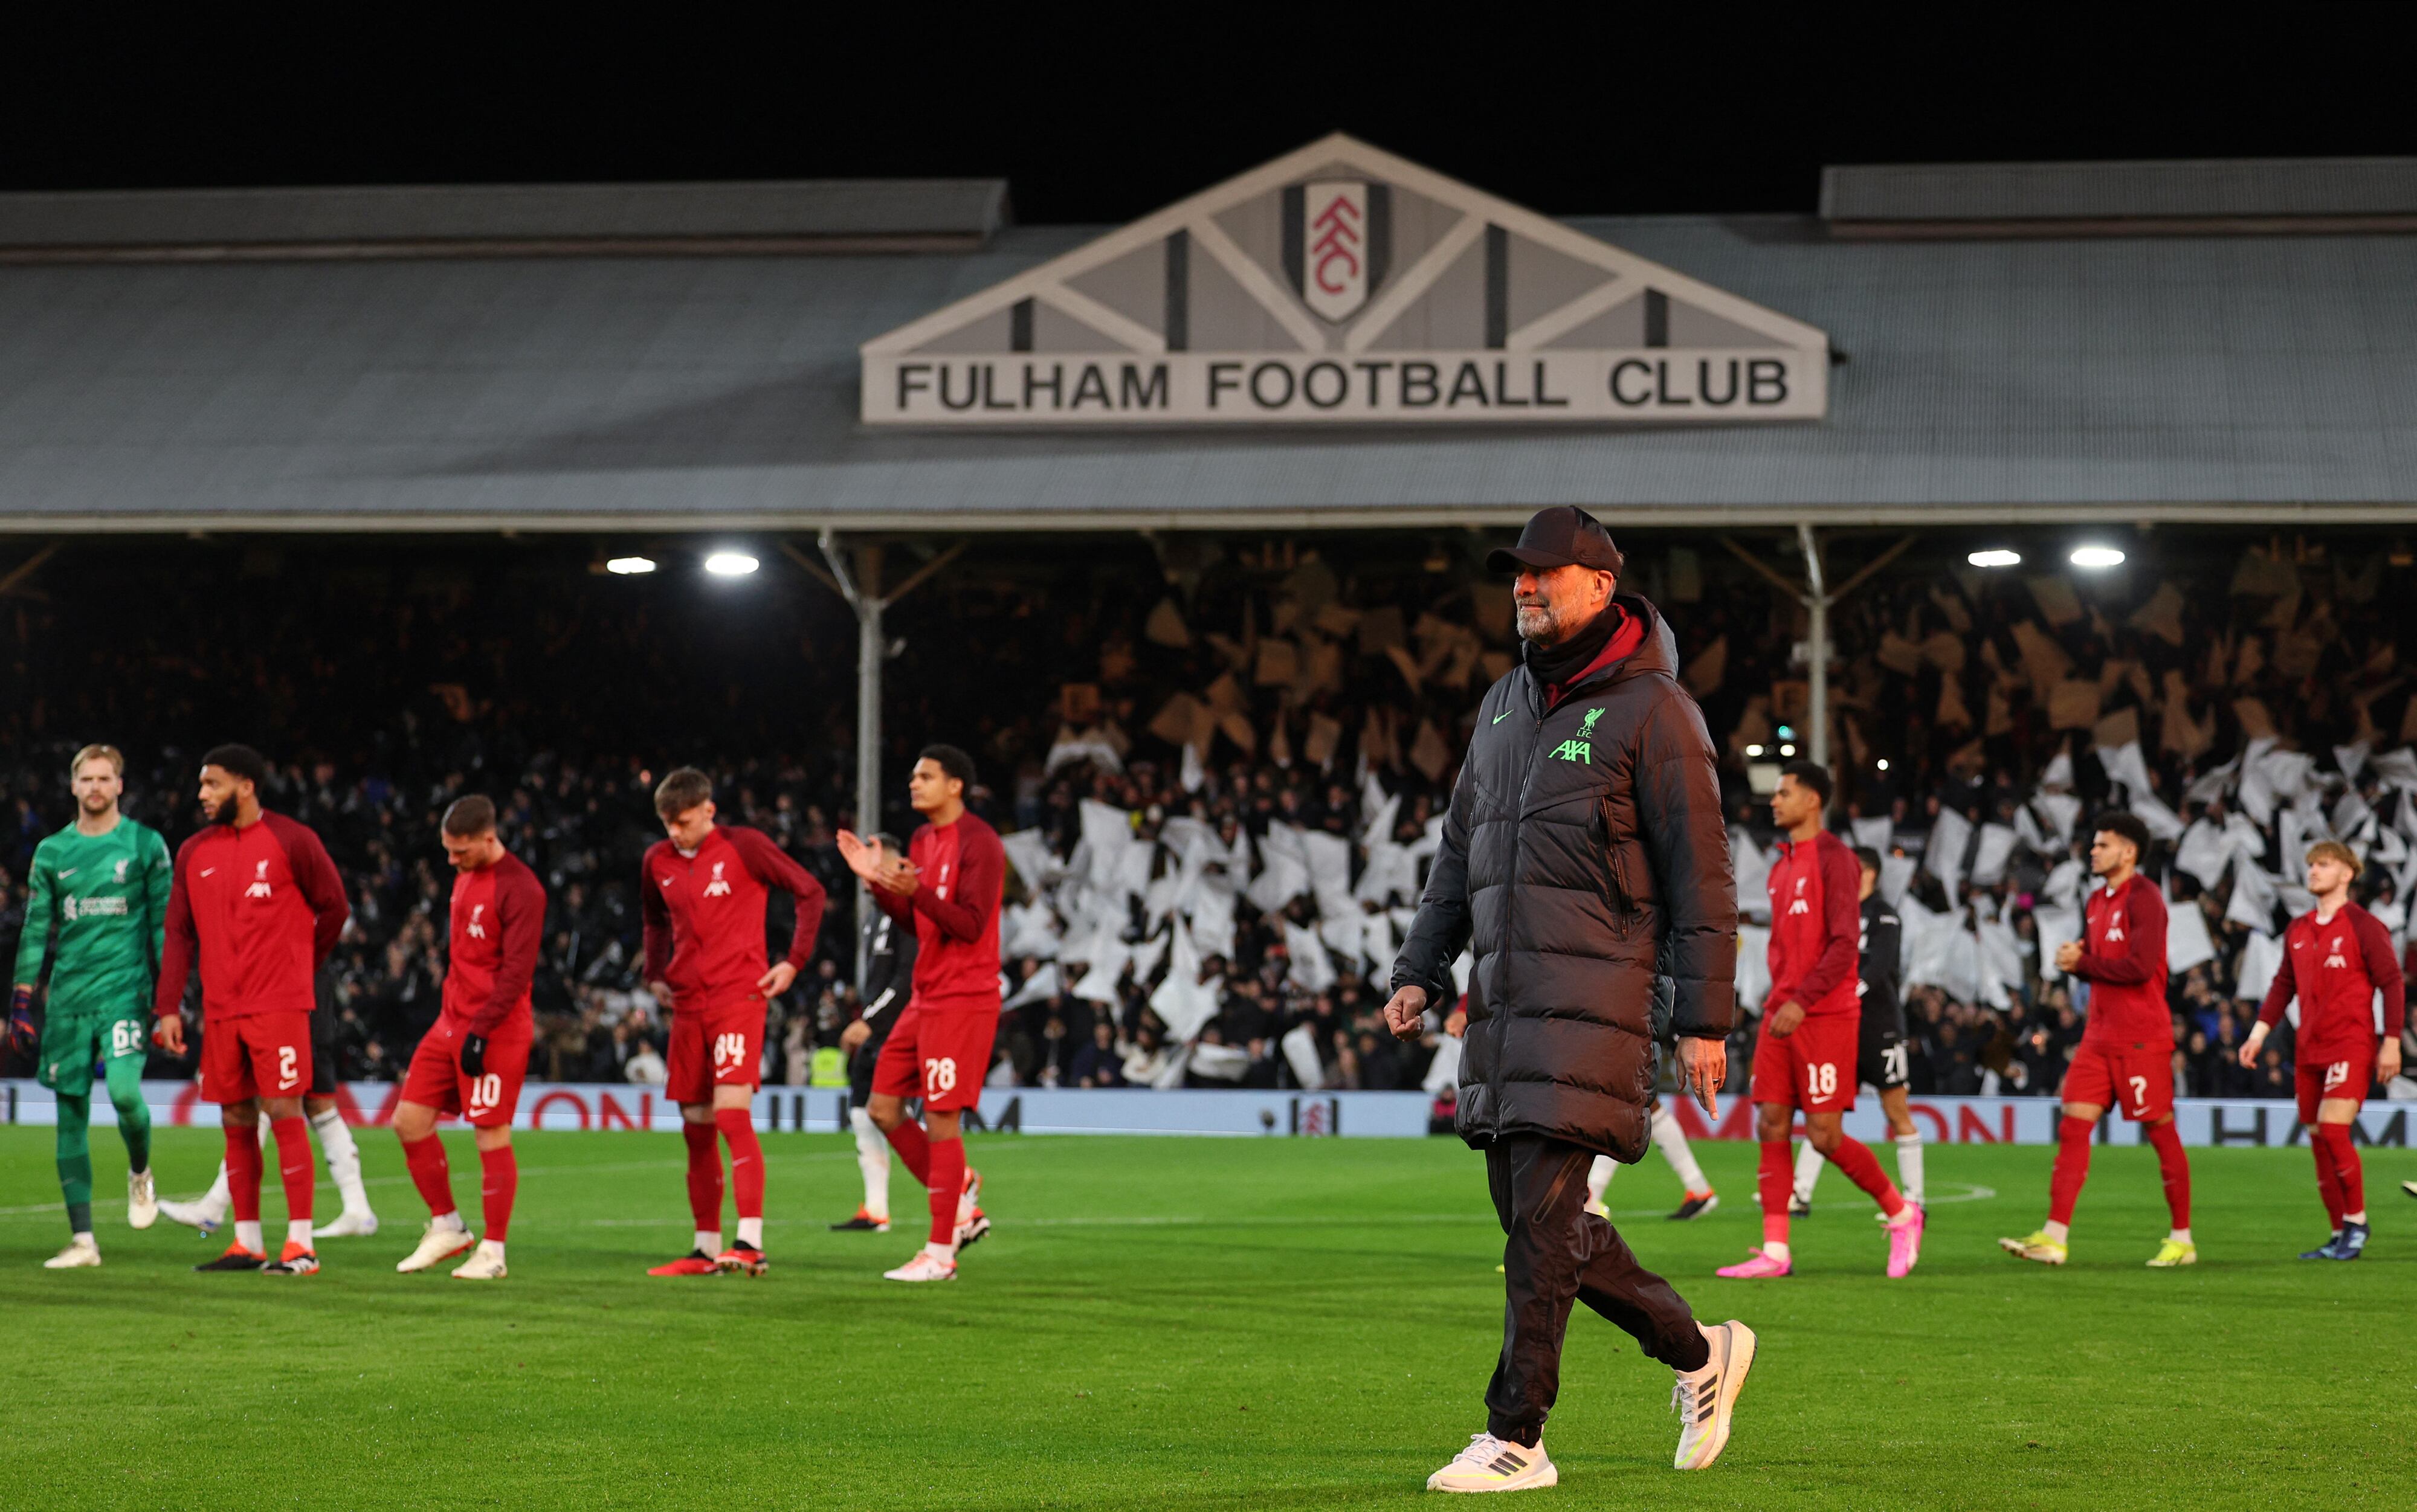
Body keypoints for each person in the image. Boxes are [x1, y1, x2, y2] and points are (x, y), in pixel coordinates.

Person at [1384, 506, 1753, 1490]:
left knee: (1544, 1226)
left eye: (1545, 573)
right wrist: (1421, 966)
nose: (1525, 587)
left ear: (1601, 584)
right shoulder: (1504, 702)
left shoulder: (1656, 709)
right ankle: (1699, 1350)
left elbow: (1703, 876)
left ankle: (1518, 1434)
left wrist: (1705, 1018)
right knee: (1547, 1226)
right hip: (1504, 1006)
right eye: (1518, 575)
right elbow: (1460, 853)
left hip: (1599, 1004)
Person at [151, 745, 350, 1275]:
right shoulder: (195, 851)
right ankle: (247, 1243)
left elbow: (335, 906)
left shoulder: (292, 840)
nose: (202, 794)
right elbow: (177, 931)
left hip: (279, 1005)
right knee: (235, 1119)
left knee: (283, 1111)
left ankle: (301, 1245)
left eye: (212, 784)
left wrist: (301, 961)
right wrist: (167, 1006)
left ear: (246, 785)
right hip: (220, 1009)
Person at [1720, 763, 1922, 1279]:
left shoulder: (1836, 859)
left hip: (1824, 1013)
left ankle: (1902, 1214)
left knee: (1825, 1134)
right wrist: (1779, 998)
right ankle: (1775, 1250)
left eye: (1785, 792)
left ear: (1813, 800)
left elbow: (1843, 946)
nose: (1774, 800)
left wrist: (1802, 1000)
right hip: (1781, 1010)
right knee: (1771, 1122)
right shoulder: (1780, 865)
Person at [639, 767, 827, 1278]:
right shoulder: (657, 861)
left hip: (738, 997)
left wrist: (794, 961)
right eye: (666, 823)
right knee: (696, 1128)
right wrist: (656, 972)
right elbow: (655, 921)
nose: (674, 833)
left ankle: (750, 1240)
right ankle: (705, 1249)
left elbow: (809, 891)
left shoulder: (745, 847)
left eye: (682, 821)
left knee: (730, 1115)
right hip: (687, 1005)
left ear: (708, 810)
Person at [836, 745, 1005, 1284]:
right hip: (925, 995)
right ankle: (961, 1199)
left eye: (926, 776)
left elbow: (972, 924)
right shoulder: (921, 840)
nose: (914, 784)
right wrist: (877, 885)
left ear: (955, 785)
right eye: (913, 776)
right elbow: (916, 918)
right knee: (883, 1106)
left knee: (940, 1117)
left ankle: (940, 1251)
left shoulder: (981, 842)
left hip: (963, 997)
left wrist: (918, 890)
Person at [2001, 812, 2194, 1267]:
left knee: (2160, 1131)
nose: (2093, 850)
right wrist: (2078, 953)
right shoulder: (2094, 899)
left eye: (2103, 844)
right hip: (2098, 1036)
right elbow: (2098, 953)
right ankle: (2054, 1235)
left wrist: (2083, 964)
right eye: (2094, 843)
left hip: (2141, 1037)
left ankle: (2182, 1237)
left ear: (2129, 852)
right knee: (2073, 1125)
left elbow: (2141, 967)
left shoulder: (2145, 898)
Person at [8, 745, 172, 1269]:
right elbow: (36, 927)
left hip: (126, 994)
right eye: (87, 778)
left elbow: (164, 927)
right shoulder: (53, 852)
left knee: (125, 1093)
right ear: (74, 786)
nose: (96, 786)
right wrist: (22, 1000)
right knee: (69, 1114)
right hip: (70, 998)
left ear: (120, 785)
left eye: (105, 778)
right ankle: (83, 1240)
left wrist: (170, 1002)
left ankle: (140, 1171)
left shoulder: (145, 846)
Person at [389, 797, 547, 1280]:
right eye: (449, 851)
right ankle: (448, 1226)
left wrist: (481, 1029)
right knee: (409, 1120)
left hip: (495, 1028)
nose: (453, 861)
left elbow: (518, 971)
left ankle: (494, 1251)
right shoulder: (464, 877)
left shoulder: (522, 888)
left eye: (461, 852)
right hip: (451, 1021)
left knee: (490, 1131)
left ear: (488, 837)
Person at [2242, 841, 2404, 1260]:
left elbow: (2392, 982)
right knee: (2319, 1141)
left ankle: (2357, 1222)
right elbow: (2283, 985)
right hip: (2308, 1049)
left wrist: (2391, 1040)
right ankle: (2338, 1233)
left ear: (2347, 874)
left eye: (2324, 864)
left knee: (2333, 1130)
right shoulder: (2299, 928)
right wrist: (2258, 1034)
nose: (2313, 870)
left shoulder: (2363, 925)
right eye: (2311, 864)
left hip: (2350, 1043)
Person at [1789, 846, 1922, 1218]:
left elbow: (1879, 966)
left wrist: (1844, 992)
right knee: (1825, 1111)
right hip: (1838, 1027)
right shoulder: (1835, 915)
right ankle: (1800, 1193)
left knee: (1896, 1110)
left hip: (1879, 1027)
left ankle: (1914, 1198)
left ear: (1869, 874)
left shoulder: (1884, 916)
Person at [832, 834, 917, 1234]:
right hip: (878, 1029)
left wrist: (872, 1020)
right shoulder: (873, 915)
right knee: (863, 1110)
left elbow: (907, 978)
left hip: (901, 1028)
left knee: (896, 1112)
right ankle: (876, 1208)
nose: (866, 875)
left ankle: (961, 1189)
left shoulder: (908, 911)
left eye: (873, 863)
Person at [1584, 977, 1718, 1221]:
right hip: (1640, 1001)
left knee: (1624, 1099)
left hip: (1641, 1004)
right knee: (1641, 1103)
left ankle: (1592, 1195)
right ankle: (1698, 1188)